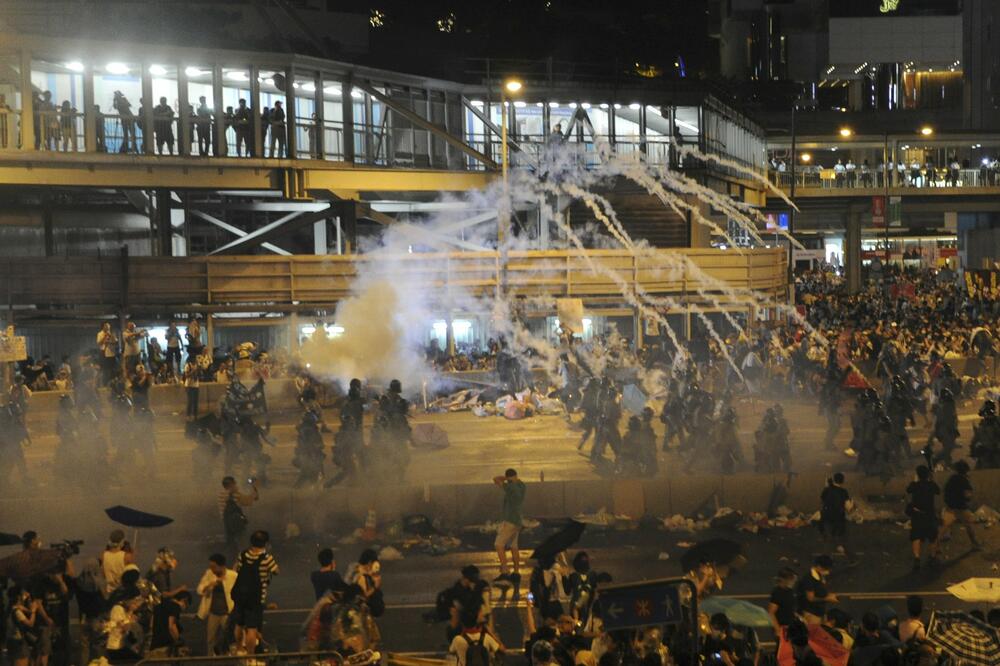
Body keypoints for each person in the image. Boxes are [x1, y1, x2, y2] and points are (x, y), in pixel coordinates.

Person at [231, 529, 279, 655]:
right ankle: (250, 655)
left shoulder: (243, 555)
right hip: (256, 597)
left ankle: (239, 648)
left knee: (239, 624)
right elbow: (276, 571)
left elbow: (237, 569)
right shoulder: (267, 558)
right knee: (252, 628)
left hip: (240, 595)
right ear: (266, 543)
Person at [196, 553, 237, 655]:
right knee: (211, 639)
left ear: (222, 566)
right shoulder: (209, 574)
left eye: (214, 567)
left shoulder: (233, 576)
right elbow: (200, 590)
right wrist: (211, 584)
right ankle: (211, 659)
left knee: (231, 637)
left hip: (228, 613)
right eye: (211, 567)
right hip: (213, 613)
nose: (212, 569)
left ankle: (233, 657)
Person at [938, 460, 982, 550]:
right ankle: (975, 544)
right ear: (966, 470)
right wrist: (968, 498)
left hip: (950, 506)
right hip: (961, 507)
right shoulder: (964, 480)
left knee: (944, 527)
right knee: (969, 525)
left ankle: (934, 549)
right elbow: (967, 495)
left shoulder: (951, 478)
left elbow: (945, 491)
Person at [493, 468, 526, 587]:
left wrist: (506, 479)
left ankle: (505, 571)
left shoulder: (510, 487)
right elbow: (519, 482)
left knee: (498, 544)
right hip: (518, 520)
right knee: (513, 546)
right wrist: (512, 479)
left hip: (510, 521)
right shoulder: (521, 486)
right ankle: (516, 573)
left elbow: (495, 479)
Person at [905, 465, 940, 570]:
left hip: (917, 514)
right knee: (932, 537)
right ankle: (933, 557)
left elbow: (908, 490)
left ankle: (917, 558)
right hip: (929, 514)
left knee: (916, 536)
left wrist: (915, 480)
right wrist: (932, 479)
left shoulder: (914, 485)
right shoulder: (931, 485)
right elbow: (938, 491)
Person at [819, 473, 853, 560]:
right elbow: (848, 507)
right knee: (840, 538)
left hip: (826, 517)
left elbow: (822, 500)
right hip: (838, 518)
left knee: (828, 539)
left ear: (833, 479)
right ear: (843, 481)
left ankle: (827, 558)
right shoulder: (843, 492)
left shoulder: (827, 490)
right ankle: (849, 557)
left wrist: (826, 486)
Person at [148, 590, 191, 657]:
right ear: (184, 600)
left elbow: (151, 624)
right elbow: (171, 626)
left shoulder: (158, 606)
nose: (184, 609)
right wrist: (178, 640)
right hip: (166, 645)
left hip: (155, 645)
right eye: (186, 606)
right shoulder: (175, 607)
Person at [796, 555, 838, 624]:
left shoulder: (818, 575)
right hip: (811, 614)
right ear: (819, 566)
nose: (827, 571)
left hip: (818, 612)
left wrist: (828, 595)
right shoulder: (809, 579)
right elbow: (810, 598)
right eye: (825, 568)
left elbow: (818, 591)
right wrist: (827, 598)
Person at [101, 529, 134, 596]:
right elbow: (132, 575)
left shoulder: (104, 555)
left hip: (109, 590)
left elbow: (103, 574)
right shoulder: (126, 556)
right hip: (123, 590)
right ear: (122, 541)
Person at [768, 567, 798, 635]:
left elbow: (790, 608)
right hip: (782, 627)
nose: (793, 581)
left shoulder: (790, 591)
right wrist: (777, 629)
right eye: (791, 579)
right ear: (784, 579)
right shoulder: (777, 593)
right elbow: (771, 613)